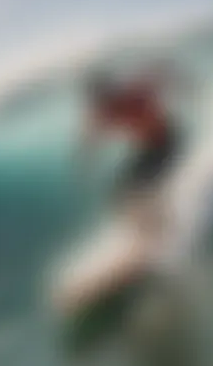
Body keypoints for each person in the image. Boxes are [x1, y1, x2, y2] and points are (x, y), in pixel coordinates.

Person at [80, 62, 188, 239]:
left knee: (145, 186)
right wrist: (86, 159)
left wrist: (184, 83)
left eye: (105, 96)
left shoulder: (132, 93)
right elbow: (91, 135)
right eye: (99, 99)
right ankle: (145, 231)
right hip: (149, 147)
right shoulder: (104, 113)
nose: (103, 103)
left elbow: (158, 73)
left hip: (168, 140)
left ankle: (166, 227)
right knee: (120, 192)